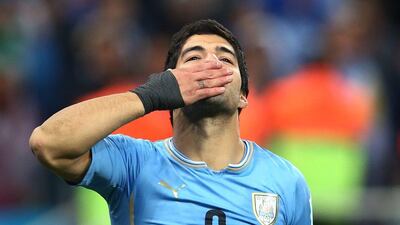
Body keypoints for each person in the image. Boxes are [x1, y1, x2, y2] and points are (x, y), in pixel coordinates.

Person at [29, 19, 312, 225]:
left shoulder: (286, 181)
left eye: (225, 59)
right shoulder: (134, 164)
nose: (209, 65)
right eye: (193, 58)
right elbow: (48, 143)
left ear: (242, 96)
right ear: (171, 84)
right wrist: (148, 96)